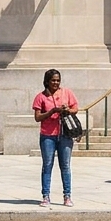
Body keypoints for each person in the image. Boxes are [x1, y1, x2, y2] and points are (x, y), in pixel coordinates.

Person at [32, 69, 78, 207]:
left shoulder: (67, 93)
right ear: (47, 81)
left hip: (64, 134)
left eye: (58, 80)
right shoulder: (40, 97)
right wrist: (51, 111)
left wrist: (66, 110)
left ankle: (67, 196)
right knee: (47, 165)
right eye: (53, 80)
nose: (56, 83)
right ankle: (45, 196)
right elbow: (37, 117)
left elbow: (75, 108)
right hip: (48, 135)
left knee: (65, 166)